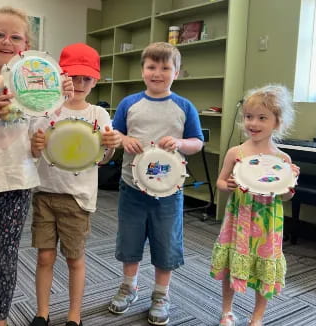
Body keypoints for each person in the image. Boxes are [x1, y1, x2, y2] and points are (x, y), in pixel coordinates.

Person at [0, 7, 73, 326]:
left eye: (15, 36)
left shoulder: (36, 88)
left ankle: (1, 319)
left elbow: (37, 134)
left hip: (18, 183)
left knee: (7, 256)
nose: (7, 41)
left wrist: (58, 102)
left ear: (25, 46)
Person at [108, 42, 204, 326]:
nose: (158, 73)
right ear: (142, 70)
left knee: (167, 243)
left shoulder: (184, 107)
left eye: (165, 67)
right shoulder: (129, 103)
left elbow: (197, 143)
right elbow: (115, 134)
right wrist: (124, 140)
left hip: (169, 192)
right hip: (132, 188)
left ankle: (161, 294)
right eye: (152, 67)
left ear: (177, 72)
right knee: (130, 240)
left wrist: (181, 143)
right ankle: (129, 286)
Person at [28, 43, 121, 326]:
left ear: (95, 81)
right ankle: (41, 312)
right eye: (73, 77)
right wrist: (36, 142)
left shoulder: (98, 115)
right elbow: (34, 150)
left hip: (77, 199)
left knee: (74, 258)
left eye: (86, 78)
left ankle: (74, 315)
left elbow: (103, 159)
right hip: (45, 193)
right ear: (60, 76)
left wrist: (112, 146)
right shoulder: (47, 109)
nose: (79, 83)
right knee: (45, 257)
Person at [210, 85, 299, 326]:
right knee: (231, 264)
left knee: (265, 269)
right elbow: (220, 181)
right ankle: (226, 311)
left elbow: (285, 197)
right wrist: (225, 185)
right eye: (249, 117)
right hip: (239, 218)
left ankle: (257, 317)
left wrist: (289, 188)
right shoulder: (236, 152)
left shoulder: (282, 160)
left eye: (262, 118)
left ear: (277, 122)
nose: (254, 123)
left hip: (267, 222)